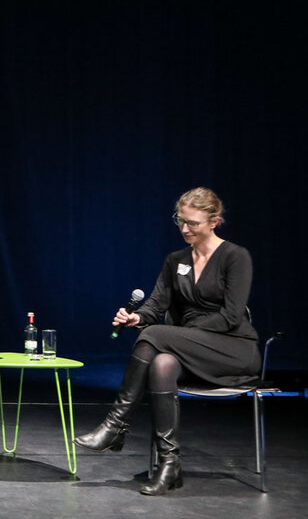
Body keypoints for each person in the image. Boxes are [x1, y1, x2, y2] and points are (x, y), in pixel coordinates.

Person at [75, 187, 258, 495]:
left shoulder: (235, 257)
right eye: (180, 221)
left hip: (232, 349)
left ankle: (115, 425)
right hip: (188, 350)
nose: (185, 229)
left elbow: (230, 317)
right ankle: (169, 464)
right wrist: (138, 318)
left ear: (214, 221)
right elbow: (156, 304)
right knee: (161, 362)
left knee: (156, 335)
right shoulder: (176, 260)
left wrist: (179, 334)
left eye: (193, 223)